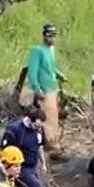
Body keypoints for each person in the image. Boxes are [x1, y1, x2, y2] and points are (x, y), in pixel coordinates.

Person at [22, 24, 65, 154]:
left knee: (55, 116)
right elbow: (32, 71)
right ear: (44, 36)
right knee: (48, 118)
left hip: (53, 87)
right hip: (44, 89)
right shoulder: (37, 51)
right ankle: (52, 145)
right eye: (49, 36)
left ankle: (54, 142)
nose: (51, 39)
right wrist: (37, 88)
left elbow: (49, 67)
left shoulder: (51, 50)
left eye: (53, 36)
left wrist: (59, 74)